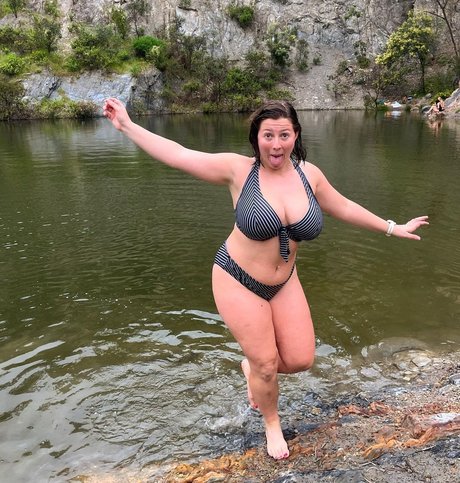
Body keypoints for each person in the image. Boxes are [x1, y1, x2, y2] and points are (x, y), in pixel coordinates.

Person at [103, 98, 429, 460]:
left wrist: (392, 227)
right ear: (256, 138)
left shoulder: (310, 175)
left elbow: (344, 206)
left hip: (285, 281)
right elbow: (179, 154)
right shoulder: (237, 171)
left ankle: (254, 369)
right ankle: (271, 422)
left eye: (284, 135)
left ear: (296, 135)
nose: (276, 144)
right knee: (267, 364)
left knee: (301, 359)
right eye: (268, 135)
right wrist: (127, 125)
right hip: (237, 278)